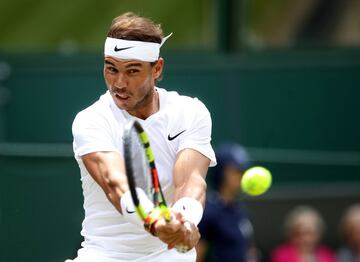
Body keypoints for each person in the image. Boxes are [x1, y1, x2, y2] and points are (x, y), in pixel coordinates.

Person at [66, 12, 216, 262]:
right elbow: (115, 183)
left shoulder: (190, 112)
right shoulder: (91, 120)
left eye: (132, 71)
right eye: (111, 68)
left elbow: (190, 180)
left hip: (167, 256)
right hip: (103, 255)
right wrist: (154, 221)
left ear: (157, 68)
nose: (119, 83)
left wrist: (186, 220)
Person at [196, 143, 257, 262]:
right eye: (237, 171)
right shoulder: (207, 212)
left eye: (244, 171)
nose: (242, 176)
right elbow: (195, 256)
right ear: (221, 172)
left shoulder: (241, 211)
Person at [270, 205, 335, 262]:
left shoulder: (326, 255)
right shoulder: (282, 255)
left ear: (318, 234)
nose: (304, 239)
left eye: (309, 233)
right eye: (298, 234)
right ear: (290, 234)